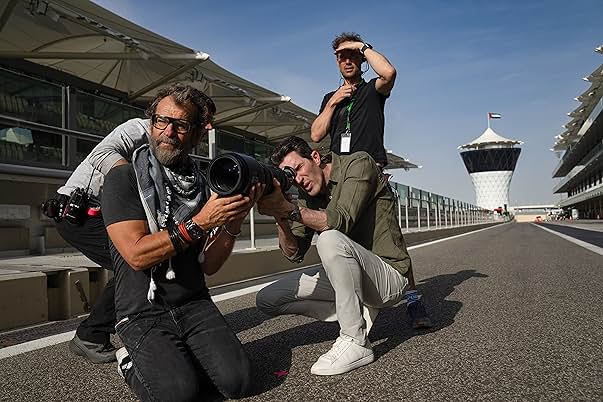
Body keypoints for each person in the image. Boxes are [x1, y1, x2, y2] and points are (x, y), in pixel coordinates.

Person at [103, 84, 258, 401]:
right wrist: (200, 222)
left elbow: (210, 265)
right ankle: (130, 361)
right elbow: (136, 255)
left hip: (193, 302)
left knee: (238, 383)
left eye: (181, 125)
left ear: (197, 134)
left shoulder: (204, 185)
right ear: (151, 123)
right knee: (179, 395)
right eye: (162, 121)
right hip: (142, 310)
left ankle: (176, 359)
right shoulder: (124, 179)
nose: (168, 132)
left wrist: (233, 221)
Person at [46, 92, 216, 364]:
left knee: (150, 259)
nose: (208, 126)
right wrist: (134, 181)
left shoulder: (179, 151)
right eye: (205, 117)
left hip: (110, 213)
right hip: (81, 212)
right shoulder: (139, 129)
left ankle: (106, 330)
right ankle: (92, 335)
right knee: (140, 263)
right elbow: (102, 154)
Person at [256, 136, 429, 376]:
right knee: (267, 299)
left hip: (388, 276)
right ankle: (354, 312)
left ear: (315, 157)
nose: (298, 179)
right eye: (290, 176)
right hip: (351, 271)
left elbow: (340, 221)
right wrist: (280, 216)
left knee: (329, 238)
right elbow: (294, 253)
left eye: (299, 168)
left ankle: (356, 340)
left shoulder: (358, 164)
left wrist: (289, 208)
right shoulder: (307, 195)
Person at [310, 32, 396, 168]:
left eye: (352, 56)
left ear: (362, 59)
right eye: (342, 57)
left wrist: (361, 46)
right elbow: (316, 135)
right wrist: (333, 102)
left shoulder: (372, 90)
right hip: (338, 167)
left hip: (366, 165)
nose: (348, 62)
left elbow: (389, 73)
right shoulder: (330, 98)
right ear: (337, 62)